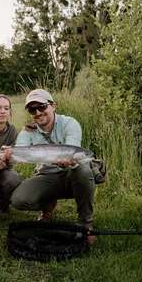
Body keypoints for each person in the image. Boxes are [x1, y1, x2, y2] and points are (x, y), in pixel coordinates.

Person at [10, 89, 95, 232]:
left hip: (70, 174)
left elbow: (74, 152)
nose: (37, 112)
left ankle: (86, 223)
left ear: (53, 106)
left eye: (42, 107)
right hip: (46, 176)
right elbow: (19, 154)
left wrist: (70, 162)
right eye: (32, 109)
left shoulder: (70, 123)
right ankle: (48, 204)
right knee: (18, 200)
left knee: (83, 169)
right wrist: (8, 155)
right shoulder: (28, 131)